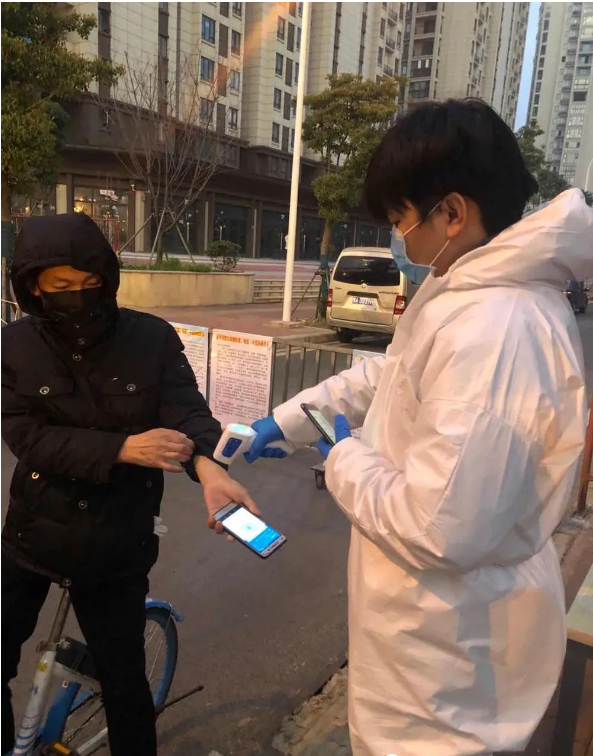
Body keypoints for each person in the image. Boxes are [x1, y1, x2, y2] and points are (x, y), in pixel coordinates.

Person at [246, 100, 593, 756]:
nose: (398, 240)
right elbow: (393, 375)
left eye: (400, 219)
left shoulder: (496, 330)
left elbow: (436, 527)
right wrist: (290, 419)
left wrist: (344, 457)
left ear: (452, 213)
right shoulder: (463, 287)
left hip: (448, 661)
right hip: (426, 636)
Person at [1, 213, 257, 756]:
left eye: (89, 281)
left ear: (106, 276)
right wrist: (121, 448)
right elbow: (26, 436)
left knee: (124, 685)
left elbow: (187, 413)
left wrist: (210, 468)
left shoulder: (151, 338)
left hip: (117, 544)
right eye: (61, 285)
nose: (78, 295)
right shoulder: (14, 346)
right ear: (32, 286)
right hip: (31, 536)